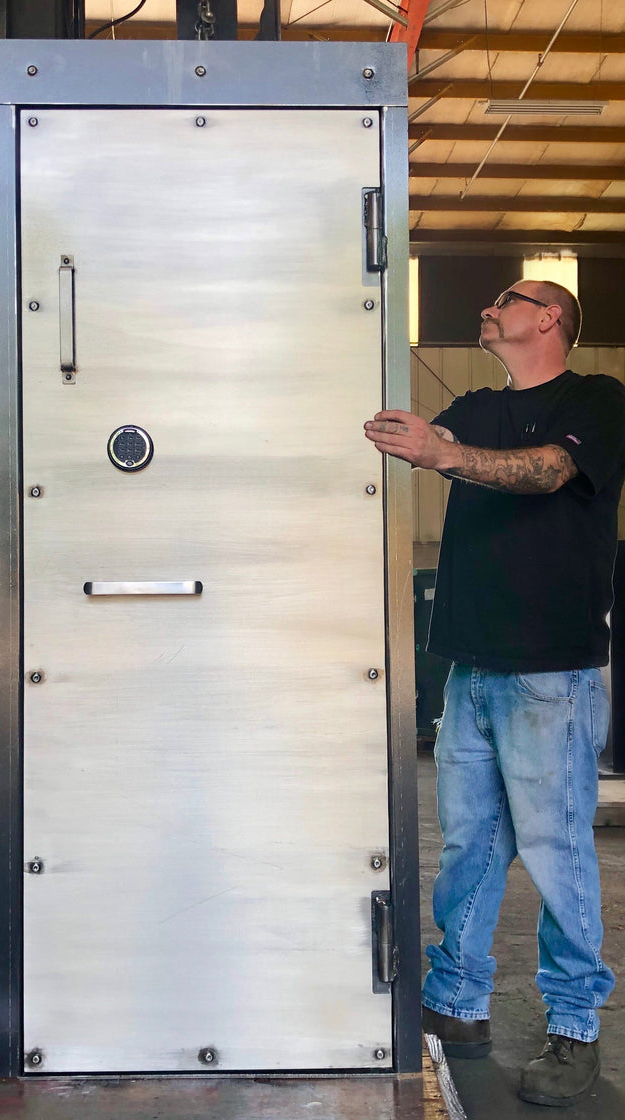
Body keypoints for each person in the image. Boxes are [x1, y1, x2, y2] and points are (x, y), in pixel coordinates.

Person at [364, 280, 625, 1108]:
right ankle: (456, 1003)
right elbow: (437, 438)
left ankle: (575, 1027)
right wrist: (416, 438)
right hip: (470, 666)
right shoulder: (477, 407)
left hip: (551, 670)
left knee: (556, 851)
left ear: (549, 319)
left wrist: (443, 455)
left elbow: (548, 472)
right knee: (468, 845)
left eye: (507, 298)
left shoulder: (597, 399)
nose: (488, 306)